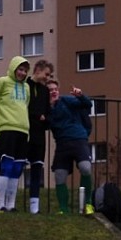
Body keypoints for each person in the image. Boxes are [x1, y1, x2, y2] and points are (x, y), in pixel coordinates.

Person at [0, 56, 32, 212]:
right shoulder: (3, 82)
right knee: (6, 166)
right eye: (20, 69)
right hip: (7, 130)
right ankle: (0, 204)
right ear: (13, 68)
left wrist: (28, 130)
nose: (22, 73)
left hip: (23, 131)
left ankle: (11, 204)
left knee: (17, 168)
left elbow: (25, 107)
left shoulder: (26, 88)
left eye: (25, 70)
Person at [46, 79, 94, 215]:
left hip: (78, 139)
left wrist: (80, 95)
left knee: (85, 167)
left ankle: (88, 204)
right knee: (60, 175)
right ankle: (63, 209)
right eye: (50, 90)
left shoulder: (66, 100)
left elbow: (87, 104)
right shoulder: (46, 108)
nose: (53, 92)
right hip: (62, 143)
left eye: (55, 89)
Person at [25, 59, 54, 214]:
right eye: (46, 74)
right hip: (25, 133)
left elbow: (48, 114)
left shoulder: (44, 91)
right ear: (37, 70)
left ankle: (34, 207)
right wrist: (38, 116)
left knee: (36, 169)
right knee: (18, 167)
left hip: (39, 136)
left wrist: (45, 120)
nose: (47, 78)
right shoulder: (25, 86)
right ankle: (8, 204)